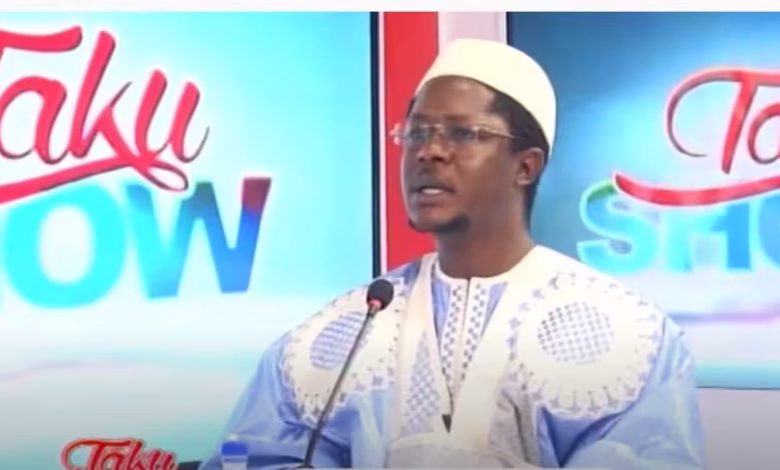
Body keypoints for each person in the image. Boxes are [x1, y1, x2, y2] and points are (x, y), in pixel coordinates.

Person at [198, 38, 705, 469]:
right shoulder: (334, 337)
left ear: (526, 166)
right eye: (416, 133)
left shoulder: (629, 337)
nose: (429, 151)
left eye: (464, 134)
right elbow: (254, 454)